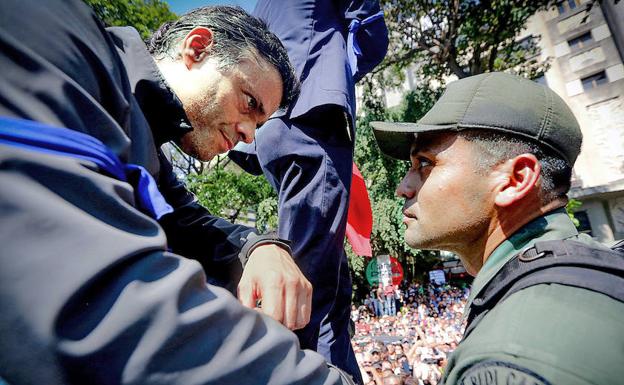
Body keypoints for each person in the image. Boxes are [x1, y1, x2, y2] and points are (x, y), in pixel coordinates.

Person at [0, 0, 356, 383]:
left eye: (260, 123)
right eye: (249, 104)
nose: (248, 136)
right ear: (198, 47)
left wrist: (261, 246)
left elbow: (190, 221)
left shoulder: (147, 142)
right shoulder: (56, 31)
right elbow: (82, 298)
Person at [371, 72, 624, 384]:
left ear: (515, 180)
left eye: (425, 164)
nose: (403, 188)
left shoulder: (511, 357)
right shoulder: (588, 270)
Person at [229, 1, 388, 382]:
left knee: (329, 277)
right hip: (311, 114)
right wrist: (344, 71)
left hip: (272, 131)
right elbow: (371, 30)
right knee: (309, 284)